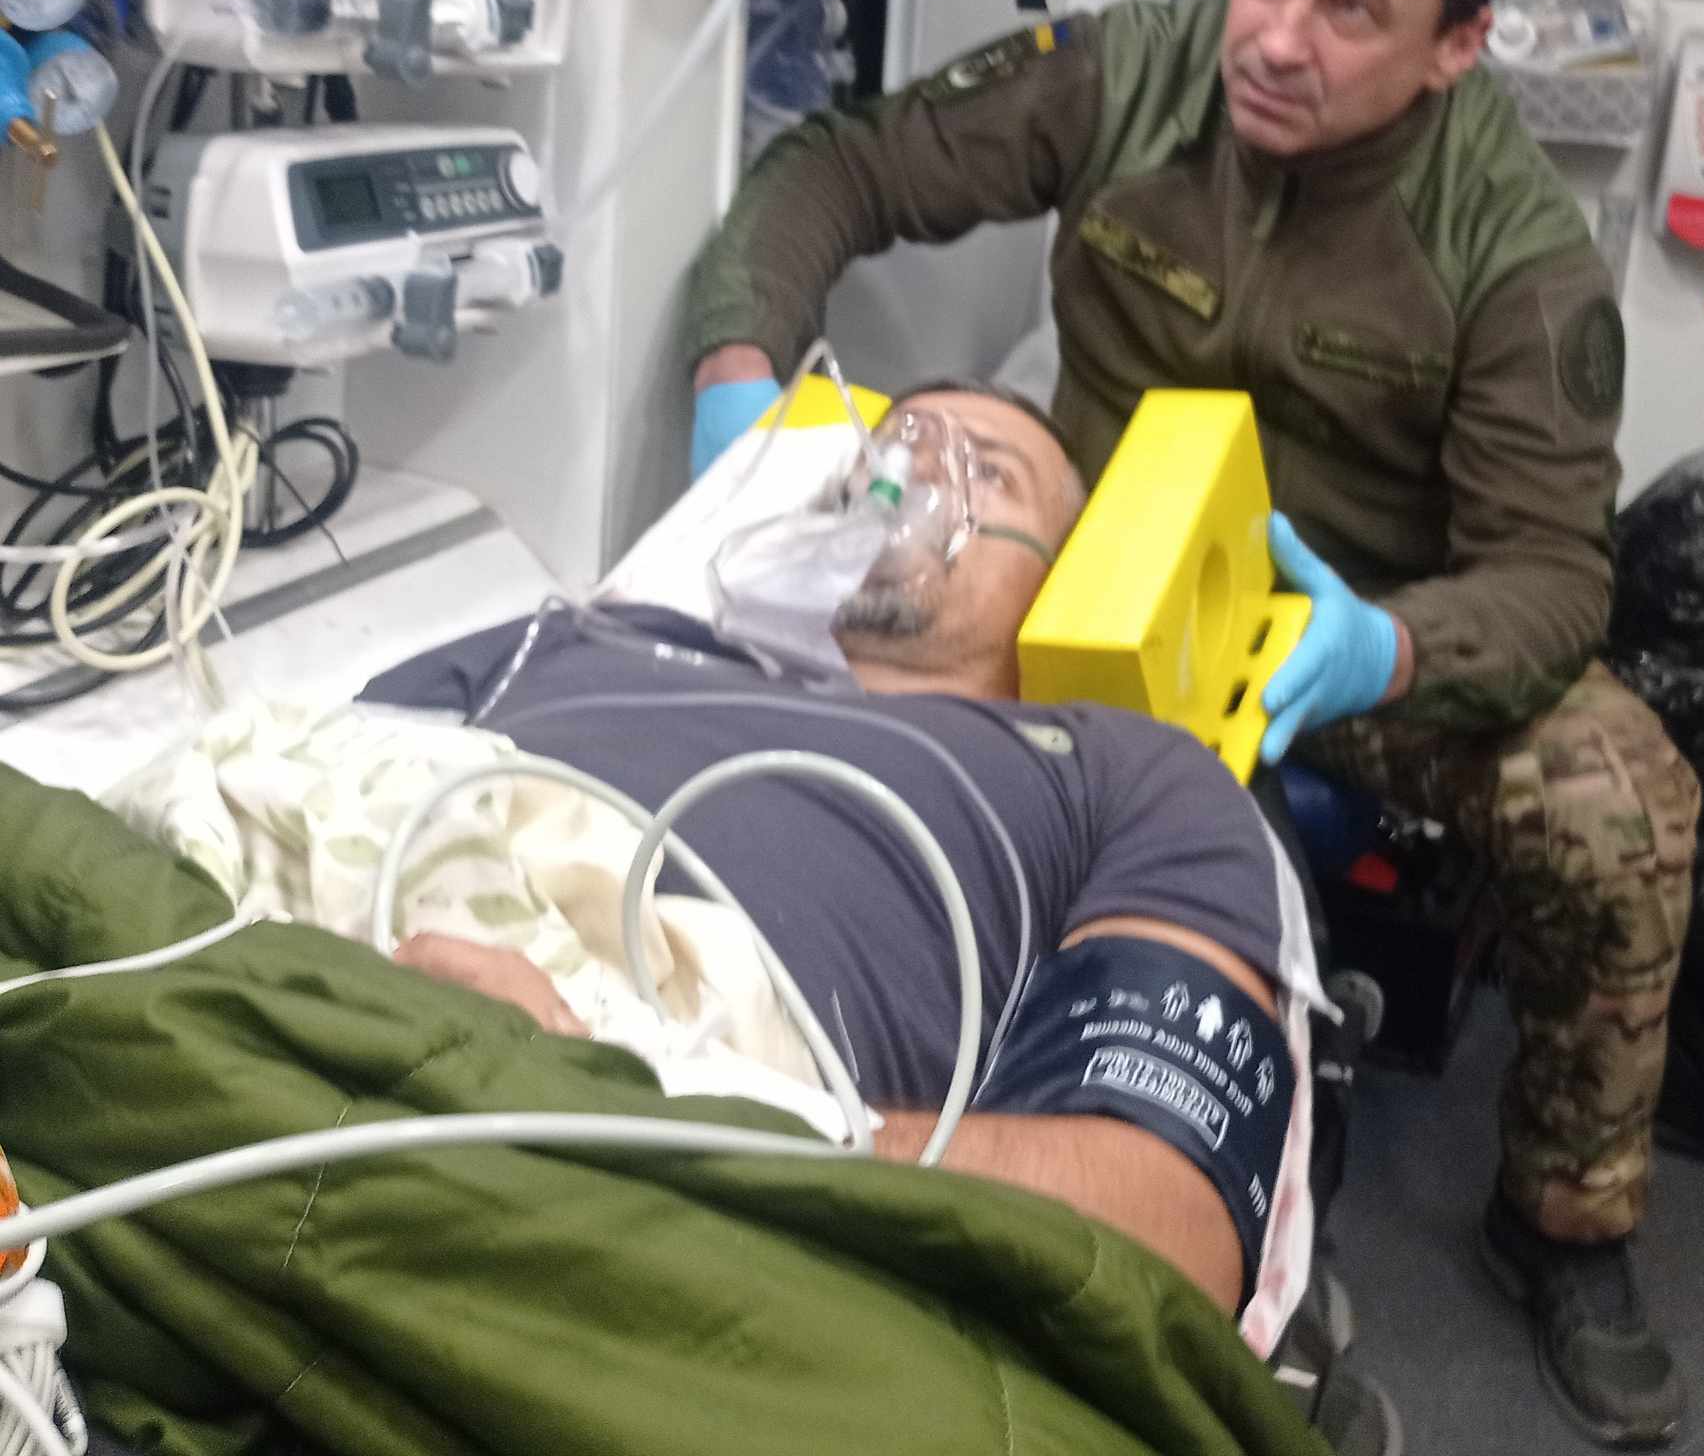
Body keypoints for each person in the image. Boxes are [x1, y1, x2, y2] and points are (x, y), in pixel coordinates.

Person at [681, 0, 1703, 1449]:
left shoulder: (1514, 249)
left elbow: (1550, 576)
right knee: (820, 645)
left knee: (1620, 800)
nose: (1277, 39)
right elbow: (839, 166)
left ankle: (1562, 1225)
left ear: (1454, 46)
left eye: (1349, 8)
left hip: (1339, 637)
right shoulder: (1131, 72)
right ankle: (858, 1105)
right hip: (1084, 583)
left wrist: (1384, 649)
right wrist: (739, 369)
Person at [365, 388, 1322, 1348]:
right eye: (883, 449)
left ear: (1070, 575)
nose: (911, 471)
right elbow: (303, 775)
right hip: (347, 982)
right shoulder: (574, 636)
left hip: (628, 1215)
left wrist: (650, 1109)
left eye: (991, 474)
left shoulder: (1126, 774)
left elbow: (1164, 1227)